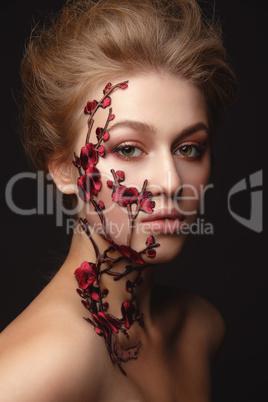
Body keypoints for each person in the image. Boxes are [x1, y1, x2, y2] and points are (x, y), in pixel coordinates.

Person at [0, 0, 237, 400]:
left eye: (189, 148)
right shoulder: (41, 364)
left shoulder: (199, 327)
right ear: (63, 170)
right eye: (128, 149)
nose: (170, 181)